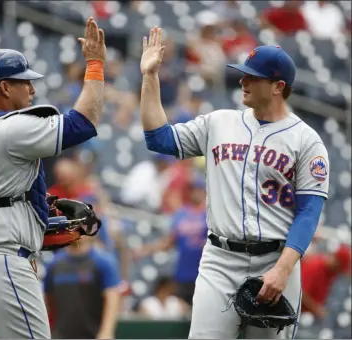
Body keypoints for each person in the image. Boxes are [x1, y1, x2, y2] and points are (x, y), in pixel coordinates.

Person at [139, 27, 329, 339]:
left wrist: (283, 269)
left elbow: (309, 211)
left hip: (274, 260)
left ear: (279, 86)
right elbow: (159, 139)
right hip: (219, 259)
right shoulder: (218, 122)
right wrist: (150, 77)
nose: (243, 81)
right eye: (243, 74)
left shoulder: (306, 140)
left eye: (253, 77)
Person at [0, 17, 107, 339]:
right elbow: (83, 122)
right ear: (4, 87)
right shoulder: (12, 128)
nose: (32, 89)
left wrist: (21, 218)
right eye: (24, 82)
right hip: (2, 270)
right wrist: (95, 64)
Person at [133, 178, 208, 306]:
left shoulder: (209, 214)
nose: (196, 193)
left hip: (204, 272)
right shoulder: (181, 214)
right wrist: (146, 250)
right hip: (183, 274)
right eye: (192, 189)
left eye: (198, 189)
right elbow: (168, 242)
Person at [43, 237, 121, 339]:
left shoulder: (103, 262)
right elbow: (47, 299)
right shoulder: (54, 264)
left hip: (94, 335)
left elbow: (112, 298)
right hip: (60, 335)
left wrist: (106, 332)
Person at [300, 244, 351, 320]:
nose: (339, 272)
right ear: (336, 263)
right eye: (340, 268)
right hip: (297, 311)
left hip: (306, 315)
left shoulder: (330, 273)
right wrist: (316, 309)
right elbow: (300, 292)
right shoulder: (314, 266)